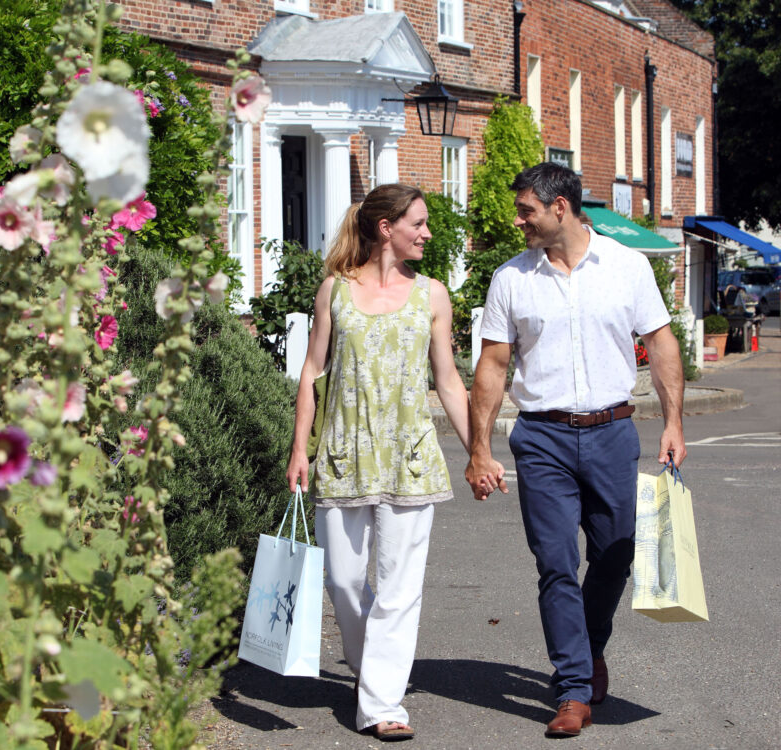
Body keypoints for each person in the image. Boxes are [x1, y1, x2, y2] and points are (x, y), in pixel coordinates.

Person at [464, 162, 686, 738]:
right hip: (542, 437)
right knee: (556, 563)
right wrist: (479, 449)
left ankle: (588, 650)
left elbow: (661, 343)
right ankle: (572, 689)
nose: (519, 221)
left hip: (613, 431)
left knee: (616, 552)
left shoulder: (627, 266)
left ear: (559, 207)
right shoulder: (512, 279)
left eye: (526, 211)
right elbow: (492, 364)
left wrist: (673, 423)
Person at [286, 183, 471, 742]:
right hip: (342, 454)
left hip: (410, 458)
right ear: (386, 227)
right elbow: (312, 375)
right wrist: (300, 448)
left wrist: (478, 451)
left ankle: (383, 703)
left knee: (398, 588)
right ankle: (374, 675)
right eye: (418, 222)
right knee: (342, 581)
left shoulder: (432, 295)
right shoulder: (334, 292)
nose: (427, 233)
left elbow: (448, 380)